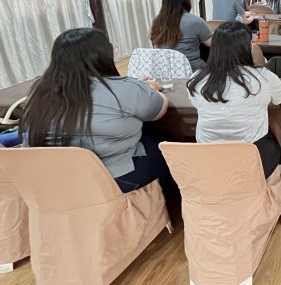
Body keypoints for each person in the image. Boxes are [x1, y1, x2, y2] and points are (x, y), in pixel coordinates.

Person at [20, 28, 171, 193]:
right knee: (155, 143)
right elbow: (158, 110)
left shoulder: (40, 91)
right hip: (113, 181)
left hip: (52, 180)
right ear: (104, 54)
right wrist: (150, 89)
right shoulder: (125, 89)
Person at [187, 22, 281, 178]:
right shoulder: (263, 76)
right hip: (251, 158)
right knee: (280, 146)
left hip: (208, 158)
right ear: (246, 47)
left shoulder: (196, 79)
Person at [150, 0, 212, 72]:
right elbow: (211, 43)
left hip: (165, 71)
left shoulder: (157, 21)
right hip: (192, 70)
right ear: (187, 2)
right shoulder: (196, 21)